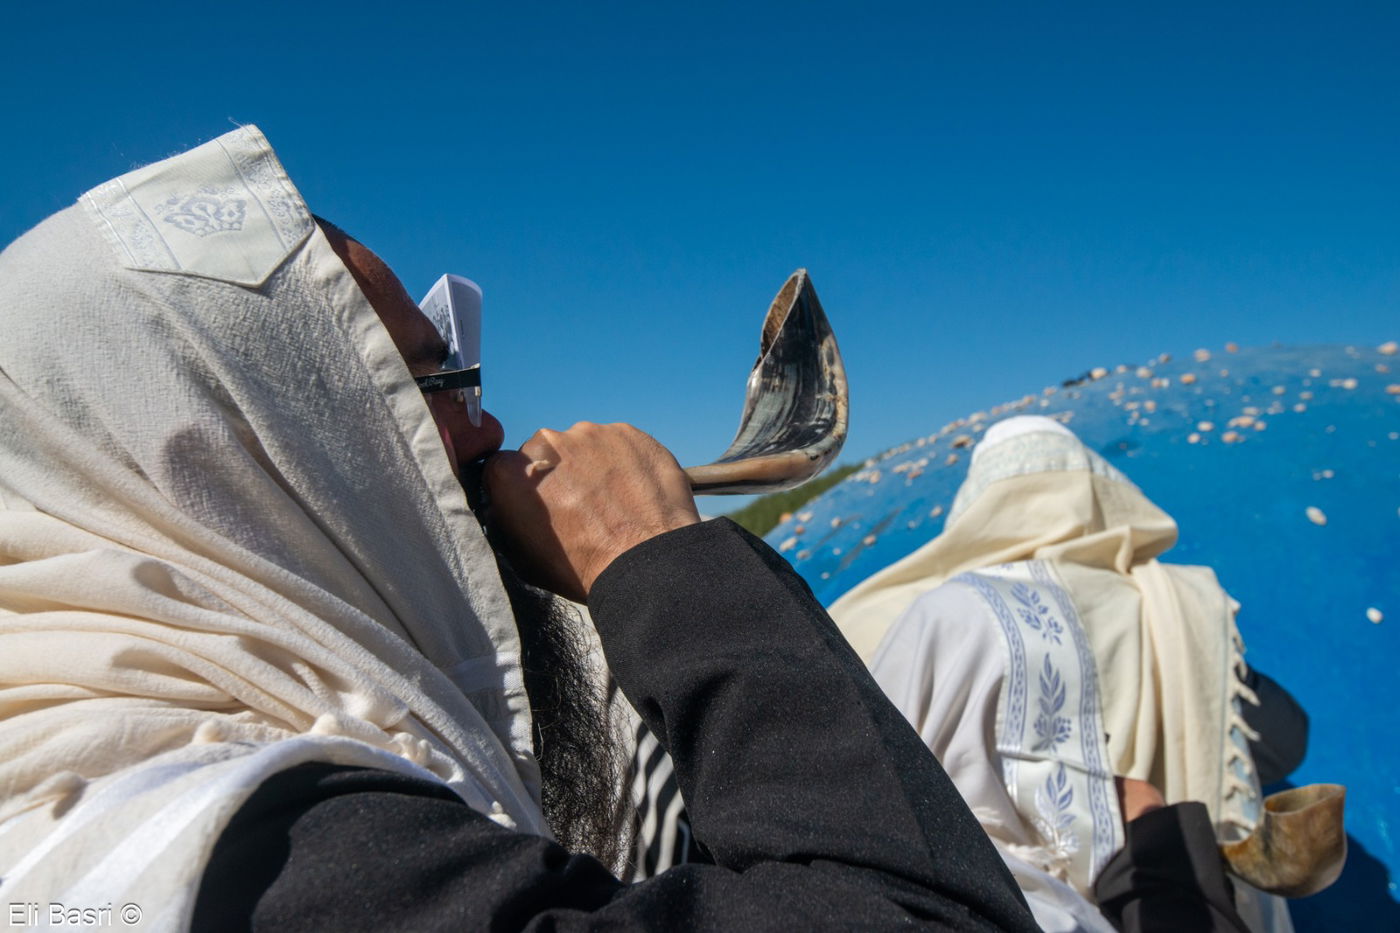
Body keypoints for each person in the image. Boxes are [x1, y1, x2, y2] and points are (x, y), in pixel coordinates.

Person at [0, 125, 1038, 930]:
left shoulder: (91, 801)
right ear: (252, 449)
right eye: (420, 384)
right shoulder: (272, 861)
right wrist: (660, 564)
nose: (483, 422)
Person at [829, 415, 1311, 932]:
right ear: (1095, 490)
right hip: (1197, 901)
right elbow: (1285, 743)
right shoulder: (1179, 603)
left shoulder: (928, 619)